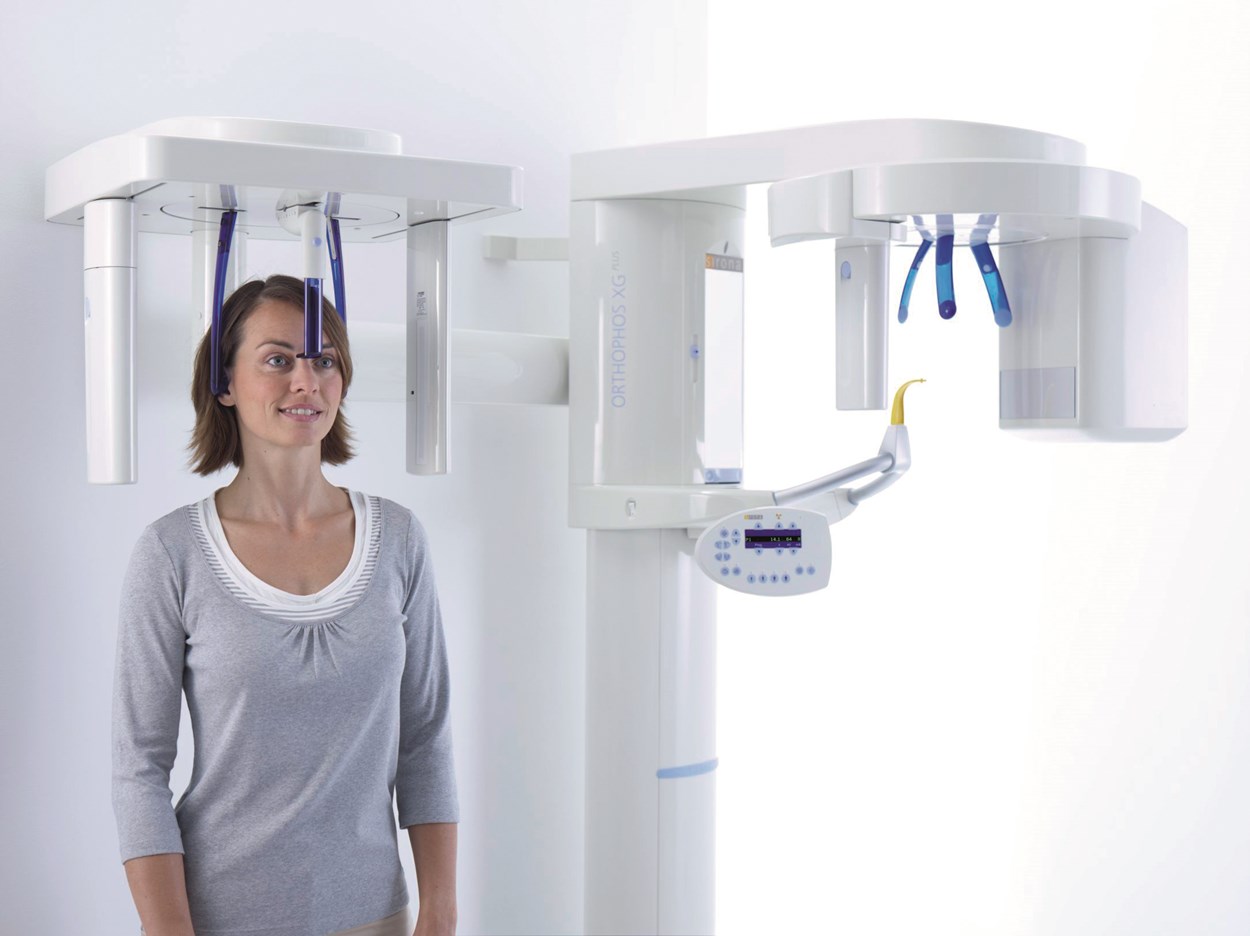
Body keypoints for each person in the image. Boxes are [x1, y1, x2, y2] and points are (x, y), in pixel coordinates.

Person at [111, 274, 458, 936]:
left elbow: (426, 741)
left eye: (324, 360)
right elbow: (139, 770)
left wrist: (440, 913)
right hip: (219, 918)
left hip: (377, 916)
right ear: (224, 383)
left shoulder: (399, 539)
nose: (307, 381)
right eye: (277, 360)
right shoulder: (171, 553)